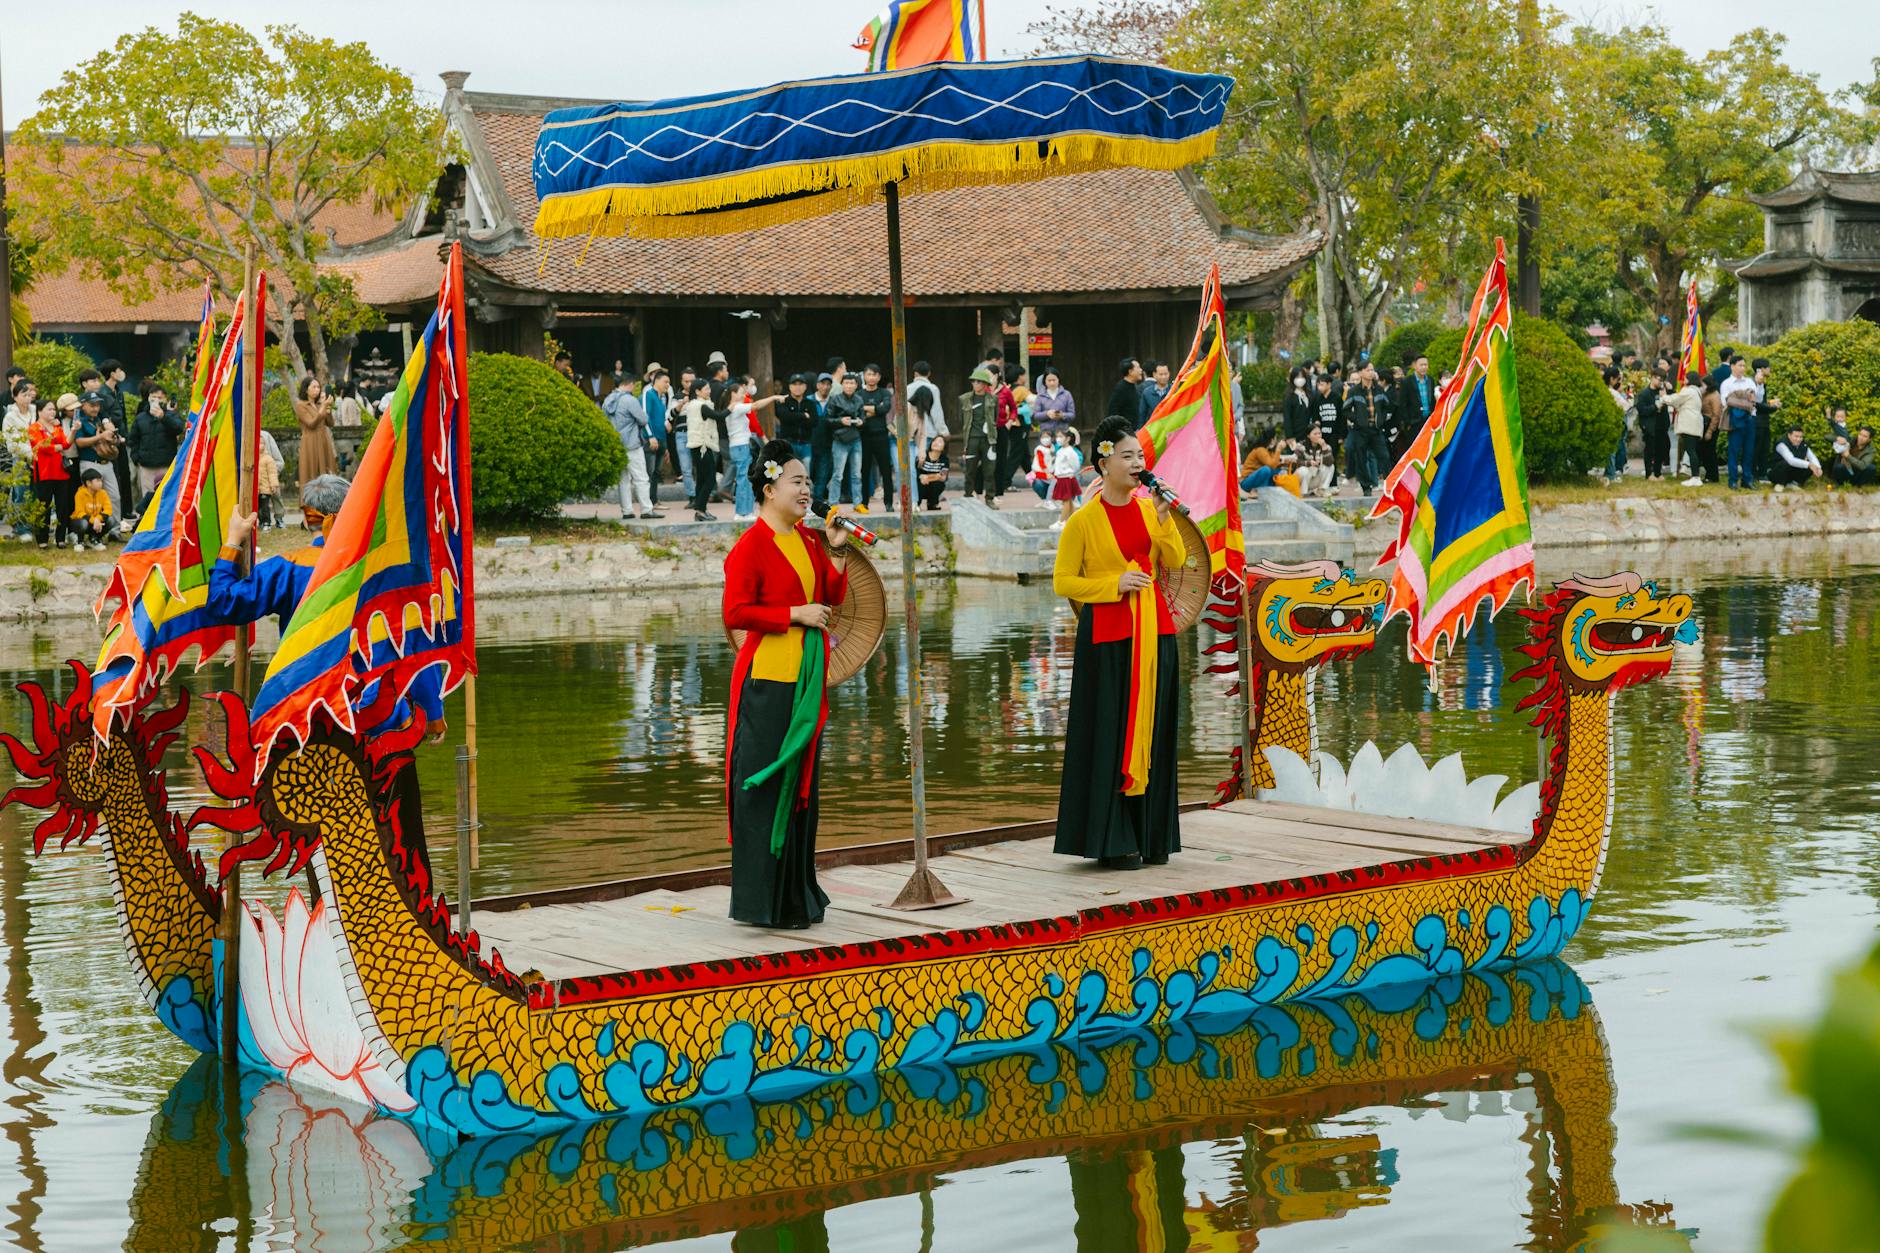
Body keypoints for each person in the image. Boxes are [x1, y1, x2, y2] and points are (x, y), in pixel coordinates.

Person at [721, 440, 852, 928]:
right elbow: (736, 612)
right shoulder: (750, 546)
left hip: (803, 679)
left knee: (801, 783)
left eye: (808, 483)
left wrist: (836, 552)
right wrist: (793, 614)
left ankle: (796, 897)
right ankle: (760, 903)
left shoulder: (807, 539)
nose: (807, 491)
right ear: (769, 487)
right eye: (797, 482)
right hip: (767, 679)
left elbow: (830, 597)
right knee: (767, 784)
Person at [1052, 415, 1184, 870]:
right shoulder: (1083, 522)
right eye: (1128, 456)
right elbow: (1062, 581)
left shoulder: (1151, 509)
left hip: (1155, 631)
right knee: (1111, 731)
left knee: (1157, 730)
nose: (1138, 463)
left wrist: (1165, 521)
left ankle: (1153, 834)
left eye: (1141, 456)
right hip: (1109, 634)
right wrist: (1113, 584)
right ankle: (1113, 839)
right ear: (1103, 463)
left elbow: (1177, 558)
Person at [726, 376, 785, 523]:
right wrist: (773, 397)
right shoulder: (737, 407)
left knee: (744, 478)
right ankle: (741, 512)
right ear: (733, 394)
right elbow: (756, 406)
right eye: (740, 392)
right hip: (740, 446)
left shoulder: (733, 408)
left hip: (739, 445)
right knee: (743, 480)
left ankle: (745, 511)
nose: (743, 394)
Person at [603, 375, 661, 520]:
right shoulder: (629, 400)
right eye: (634, 385)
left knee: (623, 480)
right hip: (632, 444)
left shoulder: (608, 400)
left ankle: (627, 511)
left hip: (616, 445)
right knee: (641, 478)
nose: (634, 388)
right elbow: (643, 419)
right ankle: (646, 509)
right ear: (629, 384)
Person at [130, 383, 186, 511]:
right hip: (146, 466)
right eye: (153, 397)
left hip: (166, 464)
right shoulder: (141, 418)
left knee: (167, 496)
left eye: (160, 398)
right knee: (147, 500)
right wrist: (137, 459)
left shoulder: (171, 415)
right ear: (148, 398)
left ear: (165, 399)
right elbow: (133, 440)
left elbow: (178, 428)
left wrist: (163, 417)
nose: (156, 400)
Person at [71, 390, 124, 519]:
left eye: (97, 405)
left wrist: (114, 438)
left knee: (114, 497)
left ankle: (114, 529)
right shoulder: (79, 421)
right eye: (92, 405)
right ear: (83, 405)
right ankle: (92, 530)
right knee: (90, 498)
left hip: (106, 462)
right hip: (90, 464)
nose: (96, 408)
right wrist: (101, 436)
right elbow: (79, 442)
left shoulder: (99, 419)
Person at [28, 397, 73, 549]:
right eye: (49, 409)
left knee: (62, 506)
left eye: (54, 409)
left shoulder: (57, 427)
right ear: (40, 411)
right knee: (44, 506)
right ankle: (42, 539)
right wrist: (57, 446)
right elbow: (41, 446)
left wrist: (72, 431)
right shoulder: (34, 427)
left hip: (60, 471)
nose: (52, 412)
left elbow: (66, 444)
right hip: (44, 471)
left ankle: (61, 538)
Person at [1340, 365, 1392, 494]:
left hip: (1376, 430)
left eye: (1372, 370)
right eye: (1368, 370)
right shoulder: (1354, 391)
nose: (1371, 372)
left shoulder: (1379, 390)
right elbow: (1345, 410)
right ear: (1361, 372)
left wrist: (1381, 419)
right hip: (1360, 431)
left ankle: (1390, 485)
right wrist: (1357, 420)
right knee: (1361, 459)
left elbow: (1388, 406)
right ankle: (1366, 487)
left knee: (1384, 456)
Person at [853, 364, 896, 513]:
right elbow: (857, 411)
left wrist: (867, 409)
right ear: (864, 376)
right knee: (864, 471)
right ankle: (864, 503)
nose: (871, 377)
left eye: (874, 375)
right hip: (864, 436)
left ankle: (889, 503)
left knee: (886, 470)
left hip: (881, 435)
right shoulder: (858, 394)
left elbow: (885, 408)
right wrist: (875, 409)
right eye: (869, 374)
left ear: (878, 377)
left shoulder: (885, 392)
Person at [681, 377, 722, 522]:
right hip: (703, 446)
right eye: (706, 389)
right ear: (698, 391)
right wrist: (732, 407)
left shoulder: (692, 405)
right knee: (710, 479)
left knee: (702, 479)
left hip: (696, 445)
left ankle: (701, 511)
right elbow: (719, 416)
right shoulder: (701, 406)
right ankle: (700, 509)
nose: (709, 391)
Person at [958, 366, 999, 507]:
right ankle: (968, 495)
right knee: (970, 470)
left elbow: (995, 418)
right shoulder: (965, 399)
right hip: (972, 438)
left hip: (989, 439)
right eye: (974, 381)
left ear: (985, 384)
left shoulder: (993, 399)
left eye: (979, 382)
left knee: (989, 471)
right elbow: (961, 420)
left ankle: (990, 498)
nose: (976, 384)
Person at [826, 372, 865, 508]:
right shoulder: (834, 399)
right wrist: (841, 421)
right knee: (838, 474)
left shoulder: (859, 400)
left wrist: (861, 421)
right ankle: (833, 502)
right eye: (846, 383)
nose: (849, 385)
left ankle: (858, 503)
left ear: (856, 385)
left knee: (856, 474)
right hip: (840, 439)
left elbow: (863, 418)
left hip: (855, 438)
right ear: (842, 384)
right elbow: (828, 420)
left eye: (852, 383)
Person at [1719, 356, 1758, 490]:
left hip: (1750, 419)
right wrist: (1745, 400)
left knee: (1749, 451)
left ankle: (1747, 480)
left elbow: (1754, 400)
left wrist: (1738, 398)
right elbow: (1726, 402)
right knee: (1734, 451)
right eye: (1740, 365)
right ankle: (1733, 480)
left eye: (1744, 365)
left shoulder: (1749, 381)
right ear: (1732, 366)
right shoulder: (1727, 383)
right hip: (1735, 420)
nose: (1743, 368)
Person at [295, 376, 338, 490]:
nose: (317, 390)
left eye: (318, 387)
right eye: (313, 387)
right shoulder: (301, 405)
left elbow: (330, 423)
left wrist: (327, 408)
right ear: (306, 390)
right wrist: (323, 407)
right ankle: (309, 502)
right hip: (310, 441)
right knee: (311, 470)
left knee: (327, 470)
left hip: (323, 439)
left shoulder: (319, 404)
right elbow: (311, 423)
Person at [1395, 353, 1436, 458]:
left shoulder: (1430, 380)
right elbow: (1402, 404)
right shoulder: (1407, 382)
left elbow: (1432, 400)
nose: (1424, 367)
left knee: (1429, 450)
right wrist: (1407, 422)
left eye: (1426, 365)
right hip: (1414, 423)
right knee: (1415, 451)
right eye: (1421, 365)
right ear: (1415, 366)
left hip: (1428, 421)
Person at [1668, 373, 1705, 486]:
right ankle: (1695, 476)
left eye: (1685, 378)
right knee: (1692, 450)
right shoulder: (1696, 391)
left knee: (1691, 451)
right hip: (1694, 424)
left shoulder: (1689, 391)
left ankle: (1695, 477)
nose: (1683, 380)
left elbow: (1675, 399)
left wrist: (1663, 397)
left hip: (1689, 424)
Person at [774, 373, 817, 470]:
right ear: (789, 386)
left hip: (805, 443)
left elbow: (814, 422)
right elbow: (785, 417)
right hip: (788, 442)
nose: (797, 387)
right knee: (788, 472)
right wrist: (803, 416)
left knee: (806, 473)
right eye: (794, 384)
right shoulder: (783, 401)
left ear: (805, 387)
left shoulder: (810, 403)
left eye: (800, 384)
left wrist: (793, 418)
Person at [641, 366, 669, 506]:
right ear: (657, 381)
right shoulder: (648, 394)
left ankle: (654, 500)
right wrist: (650, 436)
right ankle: (647, 502)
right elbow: (645, 416)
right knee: (649, 471)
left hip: (662, 438)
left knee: (657, 472)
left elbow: (660, 418)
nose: (667, 385)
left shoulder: (662, 398)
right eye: (665, 382)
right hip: (651, 439)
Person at [671, 366, 698, 504]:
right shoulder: (677, 397)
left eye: (691, 381)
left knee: (699, 467)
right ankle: (692, 497)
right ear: (681, 382)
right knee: (686, 468)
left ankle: (700, 495)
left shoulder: (700, 395)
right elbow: (671, 415)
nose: (689, 384)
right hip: (681, 435)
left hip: (697, 434)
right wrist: (682, 404)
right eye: (686, 381)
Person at [1311, 372, 1342, 489]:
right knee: (1322, 458)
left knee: (1332, 457)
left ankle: (1333, 483)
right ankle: (1322, 483)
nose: (1320, 387)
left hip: (1334, 433)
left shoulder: (1337, 398)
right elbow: (1315, 416)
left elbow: (1341, 418)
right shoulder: (1317, 399)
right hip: (1321, 434)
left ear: (1329, 384)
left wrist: (1341, 436)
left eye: (1322, 384)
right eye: (1318, 385)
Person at [71, 468, 114, 550]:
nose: (100, 483)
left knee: (111, 520)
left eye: (101, 480)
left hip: (96, 522)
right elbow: (79, 513)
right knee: (83, 523)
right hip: (82, 521)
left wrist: (97, 519)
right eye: (97, 481)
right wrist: (94, 520)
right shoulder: (80, 494)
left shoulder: (103, 493)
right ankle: (79, 541)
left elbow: (108, 509)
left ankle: (94, 539)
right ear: (88, 483)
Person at [1635, 371, 1668, 481]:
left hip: (1661, 424)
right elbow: (1642, 410)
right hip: (1650, 425)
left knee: (1661, 449)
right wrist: (1655, 406)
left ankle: (1658, 472)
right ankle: (1649, 473)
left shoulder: (1662, 392)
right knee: (1650, 450)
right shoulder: (1644, 393)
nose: (1660, 382)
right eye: (1659, 379)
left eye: (1662, 380)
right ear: (1652, 378)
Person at [1768, 424, 1822, 490]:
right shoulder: (1781, 444)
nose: (1799, 439)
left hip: (1791, 471)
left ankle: (1794, 483)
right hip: (1776, 473)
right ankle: (1780, 483)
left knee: (1812, 465)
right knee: (1786, 463)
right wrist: (1809, 464)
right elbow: (1791, 460)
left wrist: (1818, 467)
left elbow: (1812, 457)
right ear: (1789, 435)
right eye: (1796, 436)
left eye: (1801, 437)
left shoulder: (1803, 444)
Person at [1049, 427, 1083, 528]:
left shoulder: (1070, 451)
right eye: (1057, 437)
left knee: (1066, 500)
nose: (1058, 439)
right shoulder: (1060, 451)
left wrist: (1069, 472)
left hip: (1067, 478)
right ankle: (1074, 520)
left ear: (1068, 438)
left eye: (1061, 436)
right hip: (1061, 478)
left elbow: (1075, 465)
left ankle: (1061, 522)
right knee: (1068, 501)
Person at [907, 361, 946, 442]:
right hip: (928, 431)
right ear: (929, 373)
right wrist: (943, 431)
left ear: (915, 373)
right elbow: (936, 412)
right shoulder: (933, 388)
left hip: (910, 432)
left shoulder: (907, 388)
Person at [1033, 368, 1075, 436]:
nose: (1052, 383)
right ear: (1045, 381)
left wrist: (1062, 415)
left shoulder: (1066, 394)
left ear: (1058, 380)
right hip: (1045, 433)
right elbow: (1036, 415)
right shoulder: (1040, 396)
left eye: (1054, 380)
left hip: (1063, 433)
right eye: (1049, 380)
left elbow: (1072, 414)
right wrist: (1047, 414)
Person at [1297, 425, 1336, 497]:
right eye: (1315, 434)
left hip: (1314, 477)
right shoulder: (1300, 446)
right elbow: (1296, 462)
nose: (1318, 436)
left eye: (1319, 433)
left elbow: (1330, 462)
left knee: (1331, 466)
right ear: (1308, 435)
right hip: (1301, 478)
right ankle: (1302, 492)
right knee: (1304, 470)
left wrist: (1324, 447)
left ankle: (1321, 489)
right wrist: (1309, 463)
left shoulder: (1326, 446)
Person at [917, 433, 950, 511]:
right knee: (918, 483)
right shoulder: (923, 455)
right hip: (921, 483)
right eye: (934, 440)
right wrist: (921, 477)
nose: (936, 443)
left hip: (931, 483)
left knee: (939, 484)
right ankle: (916, 503)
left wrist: (927, 477)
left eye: (940, 442)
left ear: (944, 447)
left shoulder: (944, 460)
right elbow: (916, 471)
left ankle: (932, 504)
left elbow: (943, 477)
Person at [1106, 358, 1145, 423]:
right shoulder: (1121, 388)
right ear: (1130, 371)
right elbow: (1113, 412)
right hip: (1125, 430)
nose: (1141, 370)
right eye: (1138, 368)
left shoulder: (1134, 386)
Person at [1028, 431, 1054, 502]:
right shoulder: (1039, 449)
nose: (1045, 439)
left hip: (1051, 472)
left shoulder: (1053, 448)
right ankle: (1044, 499)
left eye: (1047, 437)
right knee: (1038, 483)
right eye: (1043, 437)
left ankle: (1050, 500)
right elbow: (1041, 463)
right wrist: (1047, 473)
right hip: (1040, 473)